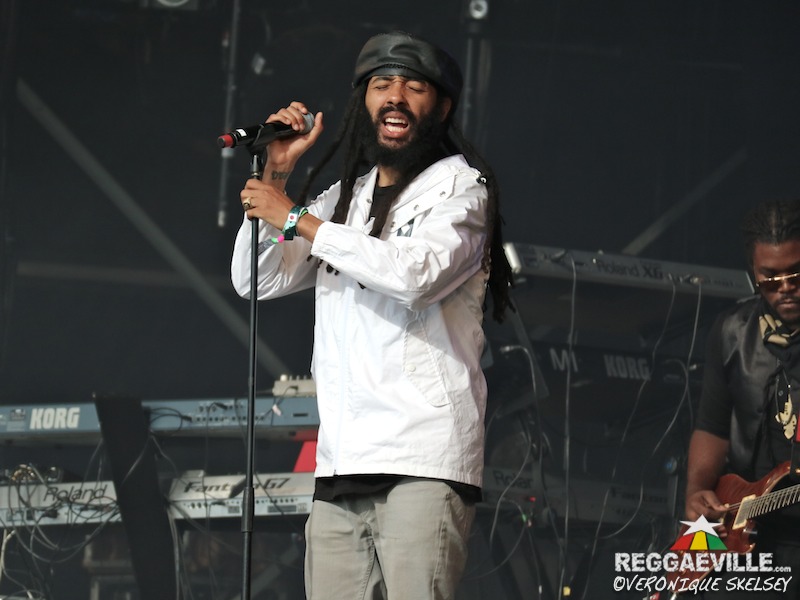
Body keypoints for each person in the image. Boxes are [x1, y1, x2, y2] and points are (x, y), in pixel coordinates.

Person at [230, 31, 513, 600]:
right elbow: (256, 279)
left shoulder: (461, 189)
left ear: (443, 107)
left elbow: (415, 275)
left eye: (414, 87)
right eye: (382, 85)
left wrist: (300, 221)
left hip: (423, 459)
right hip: (342, 461)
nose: (396, 97)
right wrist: (278, 176)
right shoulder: (344, 198)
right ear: (365, 103)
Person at [684, 198, 800, 598]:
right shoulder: (732, 331)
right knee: (667, 587)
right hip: (738, 523)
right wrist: (698, 491)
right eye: (770, 278)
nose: (785, 288)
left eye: (795, 275)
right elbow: (712, 426)